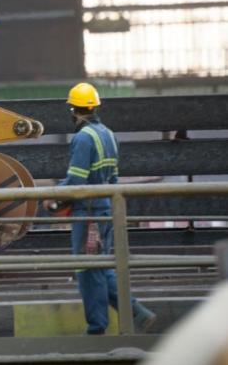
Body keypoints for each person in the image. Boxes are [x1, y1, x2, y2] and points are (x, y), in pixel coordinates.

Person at [46, 82, 156, 335]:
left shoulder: (83, 138)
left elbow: (76, 181)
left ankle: (97, 329)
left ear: (73, 109)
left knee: (88, 270)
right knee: (102, 266)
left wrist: (54, 199)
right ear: (94, 106)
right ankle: (137, 312)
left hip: (89, 215)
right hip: (105, 209)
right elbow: (113, 178)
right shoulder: (108, 134)